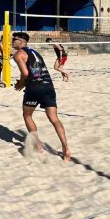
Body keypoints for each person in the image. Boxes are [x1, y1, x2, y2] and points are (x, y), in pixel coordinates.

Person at [12, 32, 71, 162]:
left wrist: (20, 84)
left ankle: (38, 145)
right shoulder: (35, 52)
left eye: (14, 39)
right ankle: (66, 149)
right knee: (54, 119)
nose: (12, 41)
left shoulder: (18, 54)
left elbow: (26, 73)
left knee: (27, 115)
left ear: (21, 42)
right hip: (48, 85)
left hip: (34, 87)